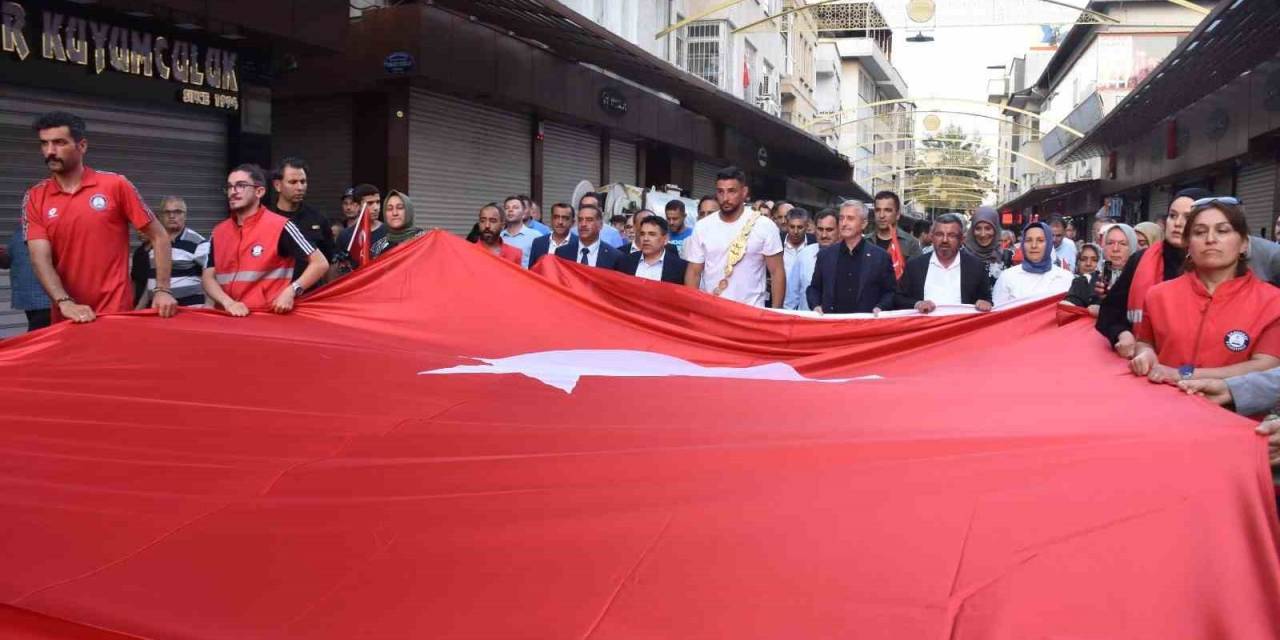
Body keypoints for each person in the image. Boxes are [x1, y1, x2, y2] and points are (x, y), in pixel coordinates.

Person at [23, 111, 177, 324]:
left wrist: (162, 289)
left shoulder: (115, 185)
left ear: (82, 146)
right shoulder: (35, 197)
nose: (50, 151)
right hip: (68, 316)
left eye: (59, 143)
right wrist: (65, 302)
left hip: (115, 313)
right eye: (44, 144)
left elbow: (160, 237)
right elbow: (40, 259)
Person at [1129, 199, 1280, 384]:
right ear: (1188, 245)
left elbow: (1266, 365)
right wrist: (1145, 354)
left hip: (1230, 411)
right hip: (1161, 403)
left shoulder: (1272, 302)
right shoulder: (1158, 295)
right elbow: (1145, 342)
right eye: (1200, 232)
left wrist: (1182, 375)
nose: (1210, 239)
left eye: (1222, 231)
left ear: (1243, 243)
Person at [1096, 188, 1210, 358]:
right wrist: (1122, 333)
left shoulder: (1214, 267)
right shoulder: (1140, 260)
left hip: (1197, 369)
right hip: (1141, 366)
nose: (1177, 223)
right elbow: (1110, 312)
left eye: (1187, 217)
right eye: (1172, 215)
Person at [202, 164, 329, 317]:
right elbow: (208, 277)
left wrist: (292, 291)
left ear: (259, 191)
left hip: (266, 317)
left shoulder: (281, 226)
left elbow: (320, 263)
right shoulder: (219, 231)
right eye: (229, 187)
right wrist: (228, 303)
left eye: (241, 186)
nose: (233, 192)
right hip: (227, 316)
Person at [683, 166, 785, 308]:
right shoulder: (702, 226)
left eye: (731, 191)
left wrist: (776, 314)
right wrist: (692, 309)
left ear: (744, 192)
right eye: (720, 192)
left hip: (750, 313)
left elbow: (777, 272)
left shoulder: (764, 226)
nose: (725, 198)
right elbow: (694, 272)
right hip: (711, 311)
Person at [807, 201, 895, 314]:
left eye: (850, 218)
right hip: (832, 325)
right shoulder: (825, 255)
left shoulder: (880, 257)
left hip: (865, 326)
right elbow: (814, 288)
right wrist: (816, 306)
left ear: (864, 224)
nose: (844, 223)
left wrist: (880, 307)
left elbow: (890, 292)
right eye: (841, 218)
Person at [893, 213, 993, 313]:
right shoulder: (915, 266)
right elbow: (898, 299)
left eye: (951, 235)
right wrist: (917, 304)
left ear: (961, 239)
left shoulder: (976, 267)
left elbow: (987, 301)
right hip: (926, 327)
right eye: (939, 234)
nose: (945, 240)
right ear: (932, 237)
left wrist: (985, 303)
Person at [132, 196, 208, 308]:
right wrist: (139, 308)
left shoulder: (198, 243)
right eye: (167, 212)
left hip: (190, 312)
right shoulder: (155, 244)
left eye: (177, 212)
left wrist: (208, 307)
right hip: (158, 311)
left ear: (185, 215)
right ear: (161, 216)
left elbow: (211, 279)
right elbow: (152, 280)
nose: (172, 216)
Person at [267, 157, 336, 273]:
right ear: (277, 185)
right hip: (277, 289)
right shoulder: (266, 219)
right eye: (293, 182)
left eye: (303, 182)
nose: (300, 188)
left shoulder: (318, 219)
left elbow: (329, 261)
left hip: (313, 289)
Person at [991, 222, 1074, 306]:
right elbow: (997, 313)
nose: (1034, 245)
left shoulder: (1066, 277)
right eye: (1028, 240)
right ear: (1023, 244)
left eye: (1040, 240)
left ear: (1049, 243)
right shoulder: (1007, 277)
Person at [784, 208, 839, 310]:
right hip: (805, 322)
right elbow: (792, 296)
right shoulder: (804, 255)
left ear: (839, 229)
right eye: (820, 229)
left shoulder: (848, 256)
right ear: (814, 229)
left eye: (829, 230)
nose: (824, 235)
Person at [0, 231, 51, 331]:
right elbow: (8, 261)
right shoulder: (19, 232)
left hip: (48, 298)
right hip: (28, 299)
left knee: (37, 339)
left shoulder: (51, 227)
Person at [615, 216, 688, 284]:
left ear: (665, 239)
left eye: (652, 234)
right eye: (642, 234)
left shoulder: (680, 268)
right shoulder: (625, 262)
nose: (646, 238)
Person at [869, 190, 922, 276]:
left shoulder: (911, 244)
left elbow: (916, 277)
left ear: (897, 215)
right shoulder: (865, 242)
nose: (881, 215)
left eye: (887, 210)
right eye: (878, 210)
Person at [334, 184, 386, 269]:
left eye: (378, 202)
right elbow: (338, 269)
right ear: (357, 206)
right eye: (370, 203)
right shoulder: (345, 236)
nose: (376, 207)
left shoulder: (390, 232)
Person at [555, 204, 624, 269]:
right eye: (580, 220)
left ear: (600, 225)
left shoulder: (614, 257)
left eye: (589, 220)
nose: (583, 224)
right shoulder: (562, 253)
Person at [963, 206, 1013, 290]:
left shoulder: (1008, 257)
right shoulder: (962, 257)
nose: (983, 234)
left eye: (988, 228)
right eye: (978, 228)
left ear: (996, 229)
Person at [370, 190, 423, 258]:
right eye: (389, 209)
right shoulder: (378, 247)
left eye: (400, 208)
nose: (395, 213)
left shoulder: (423, 239)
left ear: (409, 210)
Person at [499, 195, 544, 269]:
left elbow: (541, 264)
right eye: (507, 208)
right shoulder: (499, 237)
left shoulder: (536, 236)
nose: (510, 210)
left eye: (515, 207)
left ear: (523, 213)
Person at [527, 202, 575, 267]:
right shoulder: (538, 243)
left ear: (572, 222)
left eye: (565, 218)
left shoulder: (578, 244)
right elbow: (532, 270)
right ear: (551, 220)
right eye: (556, 217)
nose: (560, 222)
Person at [1064, 243, 1103, 312]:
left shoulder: (1102, 286)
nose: (1088, 263)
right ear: (1078, 262)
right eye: (1083, 259)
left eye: (1094, 260)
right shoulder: (1067, 279)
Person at [782, 207, 815, 276]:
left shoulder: (815, 243)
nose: (795, 231)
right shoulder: (777, 242)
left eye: (800, 227)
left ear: (807, 226)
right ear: (787, 225)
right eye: (792, 227)